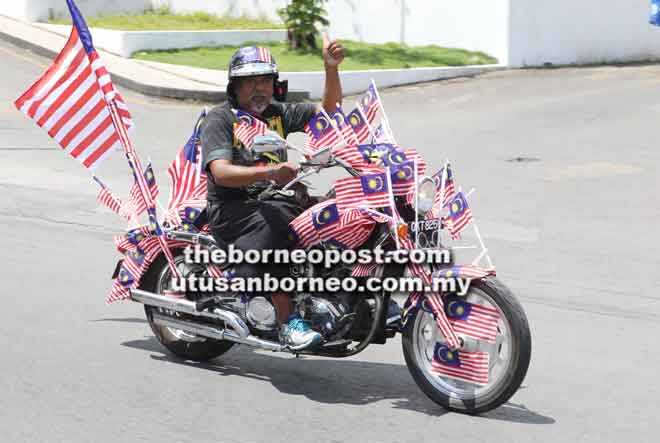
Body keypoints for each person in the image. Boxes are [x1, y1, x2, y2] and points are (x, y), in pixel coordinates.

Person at [201, 35, 345, 350]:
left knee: (340, 210)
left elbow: (329, 113)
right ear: (234, 87)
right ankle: (287, 322)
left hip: (273, 201)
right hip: (233, 209)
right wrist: (270, 173)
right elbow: (221, 173)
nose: (258, 88)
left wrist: (330, 69)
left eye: (264, 80)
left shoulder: (275, 114)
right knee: (279, 222)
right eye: (249, 81)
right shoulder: (221, 119)